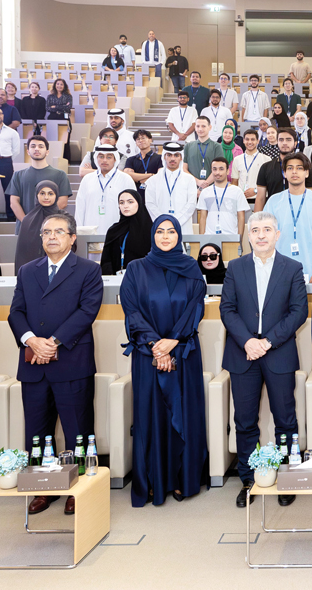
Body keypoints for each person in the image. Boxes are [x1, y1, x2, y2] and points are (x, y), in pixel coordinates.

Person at [8, 212, 103, 515]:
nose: (51, 237)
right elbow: (15, 312)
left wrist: (53, 342)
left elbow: (87, 311)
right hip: (33, 362)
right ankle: (43, 488)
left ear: (72, 238)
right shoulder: (26, 270)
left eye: (59, 232)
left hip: (72, 361)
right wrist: (30, 340)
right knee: (37, 433)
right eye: (46, 232)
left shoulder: (88, 270)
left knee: (78, 430)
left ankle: (79, 489)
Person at [220, 211, 308, 507]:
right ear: (248, 235)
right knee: (244, 421)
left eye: (267, 229)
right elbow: (227, 309)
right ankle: (249, 479)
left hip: (279, 352)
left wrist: (267, 342)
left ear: (277, 234)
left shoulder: (292, 267)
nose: (260, 235)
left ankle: (286, 476)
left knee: (285, 420)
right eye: (255, 230)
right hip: (242, 353)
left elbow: (298, 311)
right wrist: (248, 341)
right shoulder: (235, 267)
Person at [120, 214, 208, 506]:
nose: (166, 236)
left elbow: (195, 308)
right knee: (151, 417)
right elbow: (132, 311)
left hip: (183, 354)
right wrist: (155, 346)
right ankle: (154, 480)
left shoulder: (191, 267)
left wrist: (172, 342)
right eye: (160, 231)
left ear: (179, 236)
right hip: (148, 356)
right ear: (153, 235)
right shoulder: (136, 269)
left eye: (172, 232)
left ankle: (185, 479)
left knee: (184, 414)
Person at [263, 153, 312, 279]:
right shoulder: (274, 201)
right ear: (284, 173)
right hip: (278, 270)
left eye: (299, 168)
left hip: (311, 269)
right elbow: (266, 237)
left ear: (307, 173)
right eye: (290, 168)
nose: (294, 172)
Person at [74, 143, 136, 235]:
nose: (104, 160)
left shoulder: (125, 179)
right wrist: (79, 231)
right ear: (96, 158)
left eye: (109, 157)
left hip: (118, 231)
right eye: (101, 156)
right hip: (90, 230)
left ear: (115, 159)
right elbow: (80, 207)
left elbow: (133, 207)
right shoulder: (87, 179)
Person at [9, 136, 71, 222]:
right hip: (24, 227)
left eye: (41, 146)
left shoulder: (60, 174)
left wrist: (45, 221)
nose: (36, 149)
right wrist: (26, 221)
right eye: (33, 146)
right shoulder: (18, 175)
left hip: (50, 227)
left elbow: (63, 202)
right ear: (28, 151)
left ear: (47, 152)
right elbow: (14, 202)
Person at [144, 141, 198, 228]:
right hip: (161, 226)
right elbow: (150, 204)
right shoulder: (153, 180)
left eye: (176, 155)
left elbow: (191, 204)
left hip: (183, 226)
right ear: (164, 157)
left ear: (181, 157)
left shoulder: (189, 179)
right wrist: (163, 221)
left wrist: (175, 222)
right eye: (169, 155)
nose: (172, 159)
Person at [100, 189, 152, 276]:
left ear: (139, 203)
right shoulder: (113, 230)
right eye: (121, 203)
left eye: (130, 202)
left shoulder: (150, 229)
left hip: (144, 279)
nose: (125, 206)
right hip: (117, 280)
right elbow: (106, 260)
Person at [14, 181, 62, 272]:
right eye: (42, 193)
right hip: (33, 271)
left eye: (50, 193)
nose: (46, 197)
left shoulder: (65, 219)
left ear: (56, 195)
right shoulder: (28, 220)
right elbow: (22, 252)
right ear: (37, 195)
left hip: (60, 268)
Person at [197, 157, 249, 237]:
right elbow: (202, 218)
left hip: (231, 237)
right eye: (214, 169)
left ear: (227, 171)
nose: (217, 172)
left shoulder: (237, 191)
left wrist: (239, 240)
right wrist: (201, 239)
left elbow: (241, 218)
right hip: (209, 237)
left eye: (221, 169)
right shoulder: (205, 192)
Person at [183, 117, 225, 190]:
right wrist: (197, 182)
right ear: (195, 127)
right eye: (198, 126)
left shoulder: (217, 146)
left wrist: (204, 186)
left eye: (203, 126)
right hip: (191, 188)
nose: (200, 129)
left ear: (210, 127)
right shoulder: (188, 146)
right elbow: (184, 169)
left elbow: (219, 169)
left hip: (212, 188)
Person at [121, 130, 162, 203]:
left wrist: (137, 177)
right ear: (136, 143)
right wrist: (151, 175)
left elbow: (160, 176)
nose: (140, 141)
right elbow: (128, 175)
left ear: (150, 140)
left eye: (143, 138)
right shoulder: (131, 159)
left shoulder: (159, 158)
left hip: (154, 194)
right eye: (138, 139)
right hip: (136, 194)